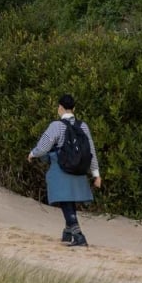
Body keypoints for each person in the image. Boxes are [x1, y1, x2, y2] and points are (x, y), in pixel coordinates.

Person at [27, 94, 102, 248]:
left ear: (60, 107)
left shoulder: (56, 125)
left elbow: (44, 146)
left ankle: (78, 235)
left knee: (65, 200)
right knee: (69, 199)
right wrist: (96, 174)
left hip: (61, 168)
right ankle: (68, 233)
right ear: (74, 109)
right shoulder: (83, 126)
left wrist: (33, 154)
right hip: (79, 169)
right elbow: (91, 150)